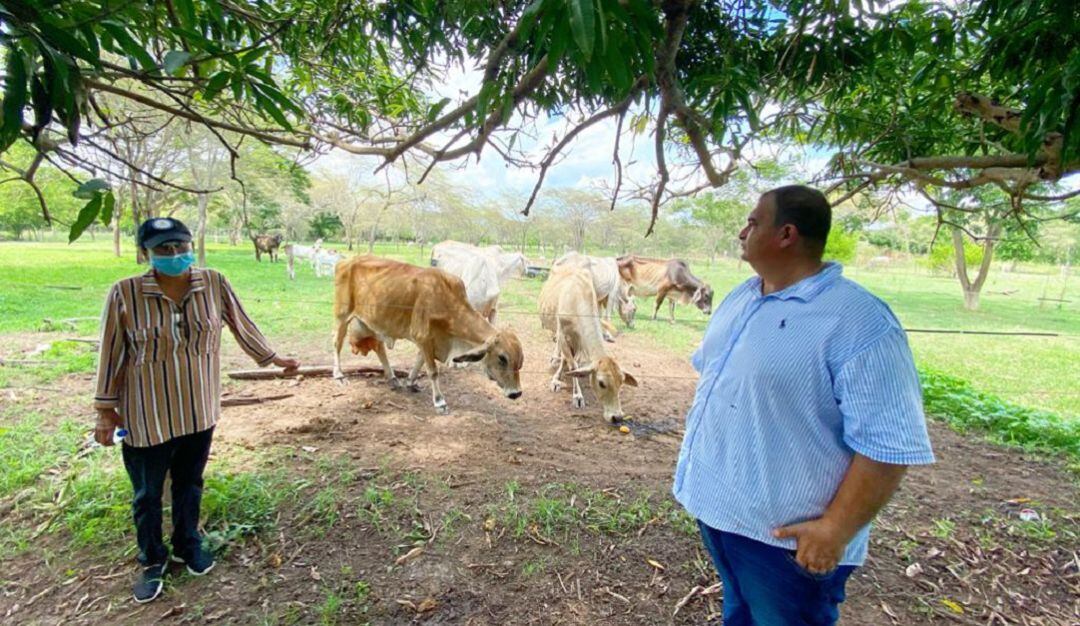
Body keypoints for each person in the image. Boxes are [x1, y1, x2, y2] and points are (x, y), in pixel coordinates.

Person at [673, 185, 934, 625]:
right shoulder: (742, 297)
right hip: (720, 513)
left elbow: (889, 444)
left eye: (753, 222)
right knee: (739, 614)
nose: (742, 231)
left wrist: (835, 530)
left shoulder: (858, 321)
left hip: (785, 542)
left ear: (786, 234)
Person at [93, 217, 299, 603]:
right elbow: (111, 353)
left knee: (190, 483)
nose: (175, 255)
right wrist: (105, 410)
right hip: (146, 413)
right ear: (146, 254)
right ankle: (152, 560)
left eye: (180, 246)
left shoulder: (213, 282)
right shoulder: (124, 293)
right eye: (164, 249)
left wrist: (272, 359)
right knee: (147, 494)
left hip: (198, 408)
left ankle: (189, 544)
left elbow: (241, 323)